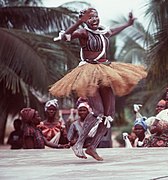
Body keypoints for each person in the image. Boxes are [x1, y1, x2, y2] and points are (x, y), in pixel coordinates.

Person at [49, 8, 147, 160]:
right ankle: (79, 143)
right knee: (98, 111)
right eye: (90, 18)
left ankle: (92, 147)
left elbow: (113, 31)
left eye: (96, 17)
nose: (94, 20)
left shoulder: (102, 32)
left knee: (109, 114)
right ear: (85, 20)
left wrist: (128, 24)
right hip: (89, 72)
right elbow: (65, 36)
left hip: (105, 70)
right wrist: (79, 22)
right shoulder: (83, 33)